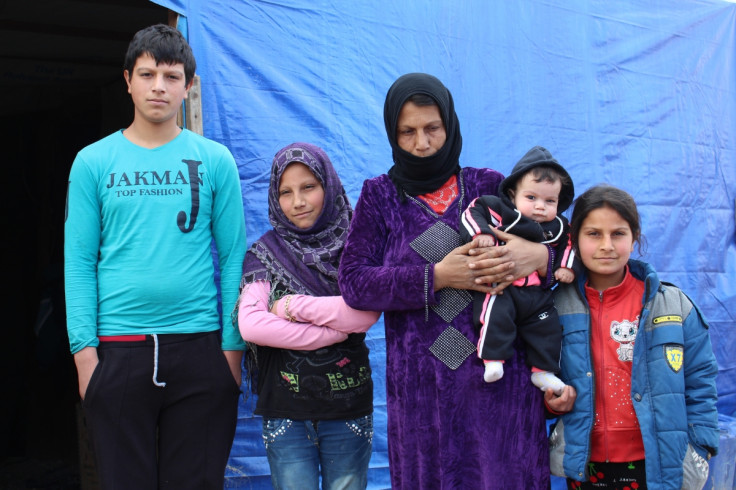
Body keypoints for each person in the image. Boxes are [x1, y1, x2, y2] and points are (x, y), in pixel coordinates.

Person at [338, 72, 576, 489]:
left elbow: (551, 235)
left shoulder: (487, 185)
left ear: (449, 124)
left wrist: (541, 256)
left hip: (498, 378)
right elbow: (355, 282)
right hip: (422, 391)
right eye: (407, 131)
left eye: (432, 128)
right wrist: (437, 277)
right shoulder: (380, 196)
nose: (423, 142)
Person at [64, 24, 246, 489]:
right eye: (147, 75)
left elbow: (233, 257)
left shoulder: (215, 160)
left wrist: (230, 351)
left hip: (200, 349)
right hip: (118, 352)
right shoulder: (93, 161)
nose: (159, 87)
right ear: (127, 80)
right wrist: (86, 357)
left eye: (171, 76)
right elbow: (79, 262)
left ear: (188, 86)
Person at [549, 184, 720, 489]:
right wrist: (551, 402)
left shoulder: (673, 306)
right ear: (573, 239)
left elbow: (701, 383)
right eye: (594, 234)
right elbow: (536, 374)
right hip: (587, 464)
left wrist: (700, 447)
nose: (606, 245)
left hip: (657, 464)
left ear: (635, 238)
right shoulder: (554, 307)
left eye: (618, 233)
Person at [238, 142, 380, 490]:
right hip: (286, 412)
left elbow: (363, 314)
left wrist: (289, 307)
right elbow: (252, 325)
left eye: (308, 187)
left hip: (347, 407)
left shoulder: (356, 247)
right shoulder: (264, 253)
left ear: (328, 186)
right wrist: (333, 329)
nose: (297, 202)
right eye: (285, 192)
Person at [459, 145, 576, 392]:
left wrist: (566, 266)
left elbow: (571, 245)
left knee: (548, 327)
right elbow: (472, 212)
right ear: (513, 195)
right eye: (531, 198)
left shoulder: (558, 226)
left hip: (537, 295)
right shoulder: (502, 211)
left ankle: (543, 371)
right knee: (494, 316)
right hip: (503, 288)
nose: (540, 207)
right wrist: (480, 234)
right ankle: (492, 360)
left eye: (550, 200)